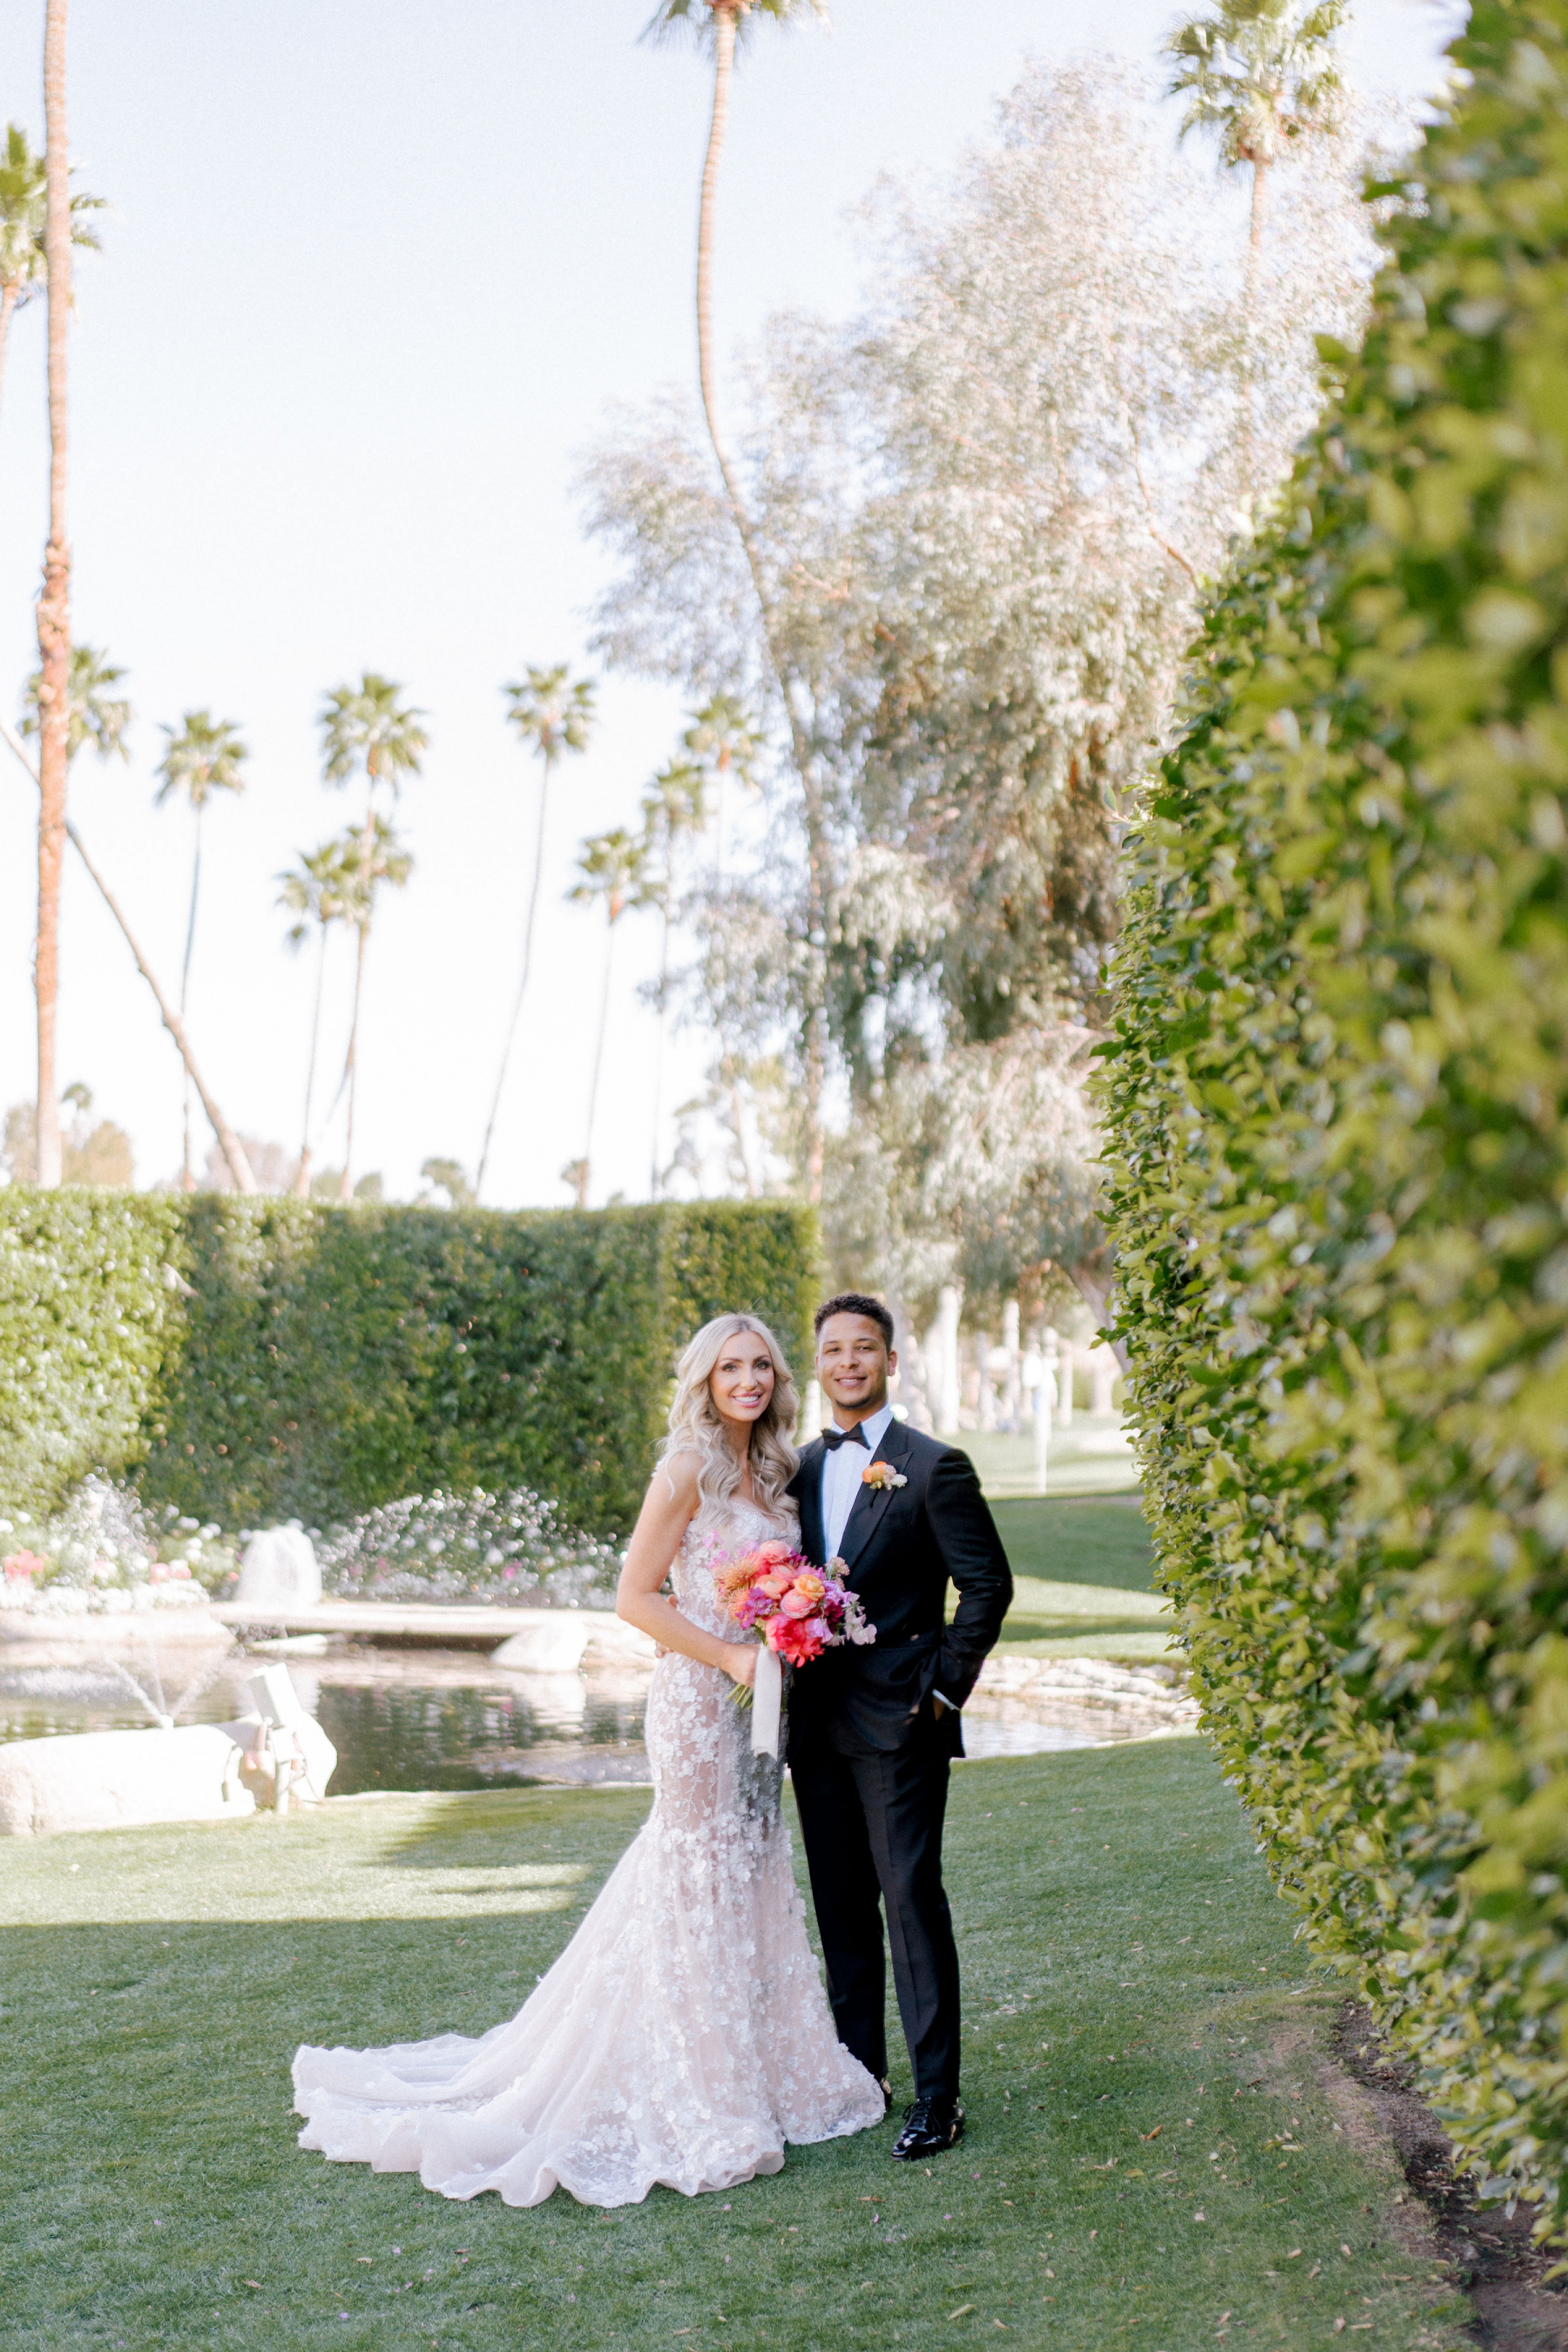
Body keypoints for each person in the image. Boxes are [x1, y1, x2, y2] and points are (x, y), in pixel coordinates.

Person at [292, 1311, 883, 2209]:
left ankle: (759, 2073)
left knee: (753, 1864)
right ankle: (697, 2089)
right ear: (703, 1378)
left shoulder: (778, 1468)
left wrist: (788, 1632)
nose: (749, 1381)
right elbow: (632, 1598)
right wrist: (725, 1654)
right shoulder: (685, 1468)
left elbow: (782, 1590)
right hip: (697, 1698)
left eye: (761, 1365)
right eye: (731, 1368)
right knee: (694, 1869)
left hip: (763, 1705)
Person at [787, 1291, 1013, 2161]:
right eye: (835, 1349)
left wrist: (943, 1692)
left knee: (912, 1906)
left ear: (890, 1362)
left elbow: (986, 1586)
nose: (849, 1362)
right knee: (842, 1909)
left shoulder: (934, 1466)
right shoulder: (798, 1470)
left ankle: (938, 2099)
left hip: (901, 1725)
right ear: (820, 1364)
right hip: (817, 1727)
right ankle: (860, 2080)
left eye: (865, 1348)